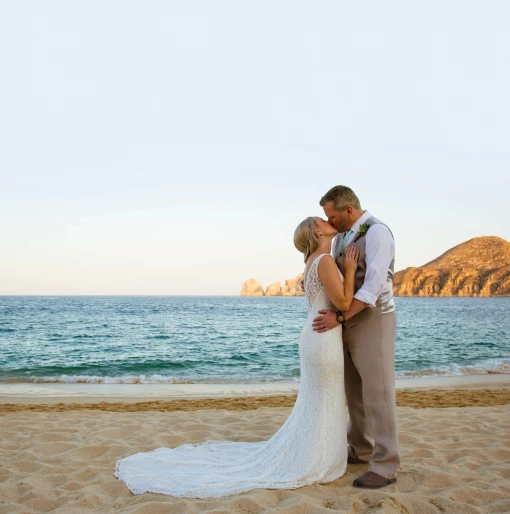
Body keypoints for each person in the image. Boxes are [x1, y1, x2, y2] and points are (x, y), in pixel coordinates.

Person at [114, 217, 359, 498]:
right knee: (324, 396)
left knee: (318, 398)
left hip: (315, 336)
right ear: (316, 231)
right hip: (322, 339)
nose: (328, 221)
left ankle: (318, 452)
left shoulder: (313, 262)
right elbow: (343, 303)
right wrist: (350, 270)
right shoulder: (324, 261)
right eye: (321, 220)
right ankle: (320, 457)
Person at [311, 185, 400, 489]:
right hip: (346, 322)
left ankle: (386, 465)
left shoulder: (378, 233)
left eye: (332, 216)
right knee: (355, 393)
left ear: (348, 211)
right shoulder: (343, 238)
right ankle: (361, 449)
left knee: (379, 393)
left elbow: (373, 287)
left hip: (374, 320)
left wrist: (339, 317)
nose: (331, 222)